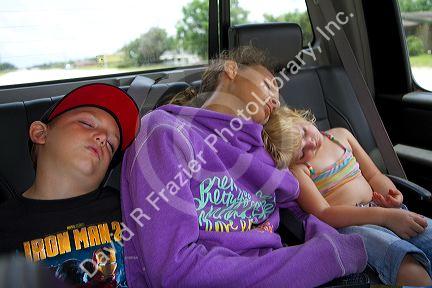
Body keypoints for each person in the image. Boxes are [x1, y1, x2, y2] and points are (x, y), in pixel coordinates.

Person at [120, 46, 367, 288]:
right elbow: (175, 272)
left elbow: (304, 215)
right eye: (269, 84)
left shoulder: (266, 151)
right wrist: (321, 259)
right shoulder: (167, 132)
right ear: (231, 70)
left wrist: (330, 245)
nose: (275, 98)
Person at [263, 106, 432, 286]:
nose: (310, 144)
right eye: (302, 152)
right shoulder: (298, 170)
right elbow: (324, 213)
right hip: (353, 227)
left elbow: (374, 176)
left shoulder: (341, 136)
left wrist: (392, 196)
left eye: (304, 133)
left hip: (384, 209)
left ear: (299, 117)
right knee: (408, 267)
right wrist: (385, 217)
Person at [0, 83, 140, 287]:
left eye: (111, 145)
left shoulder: (123, 205)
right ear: (40, 133)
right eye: (87, 124)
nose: (102, 138)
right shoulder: (6, 224)